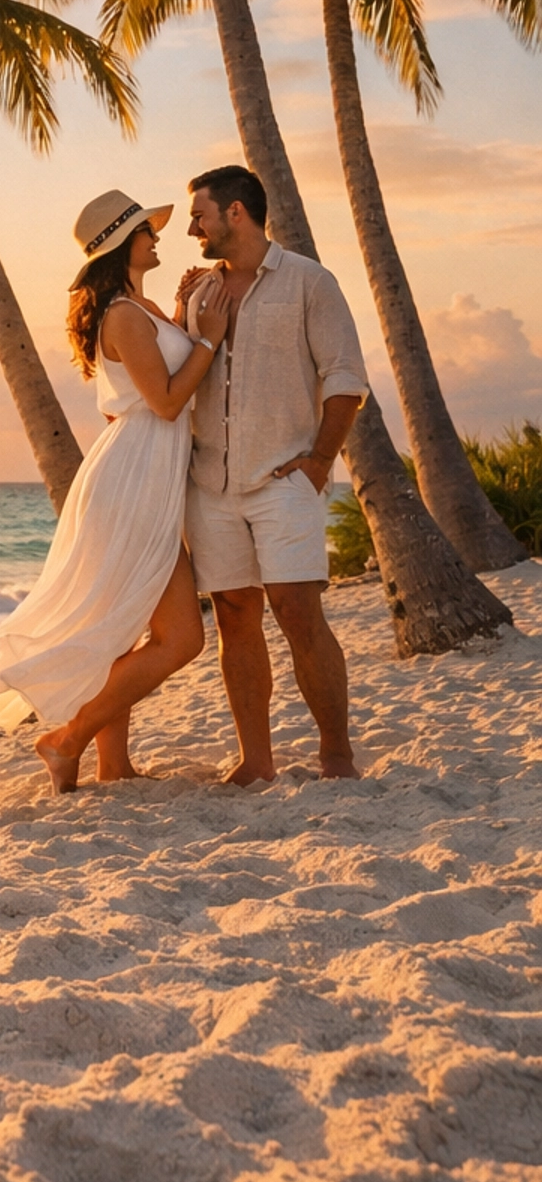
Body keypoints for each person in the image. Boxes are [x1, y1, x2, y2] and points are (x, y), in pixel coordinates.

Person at [0, 190, 227, 792]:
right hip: (130, 488)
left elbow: (148, 389)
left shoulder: (141, 308)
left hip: (137, 479)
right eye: (147, 231)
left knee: (120, 630)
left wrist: (184, 311)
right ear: (124, 243)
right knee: (182, 639)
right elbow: (169, 400)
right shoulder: (124, 316)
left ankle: (111, 764)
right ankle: (66, 739)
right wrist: (207, 337)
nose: (157, 237)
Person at [177, 165, 367, 784]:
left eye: (199, 215)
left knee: (297, 610)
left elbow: (344, 380)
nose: (191, 227)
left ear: (236, 213)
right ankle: (256, 760)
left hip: (284, 478)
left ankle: (335, 752)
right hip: (212, 485)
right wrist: (183, 307)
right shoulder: (201, 293)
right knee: (234, 617)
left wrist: (317, 463)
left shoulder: (311, 282)